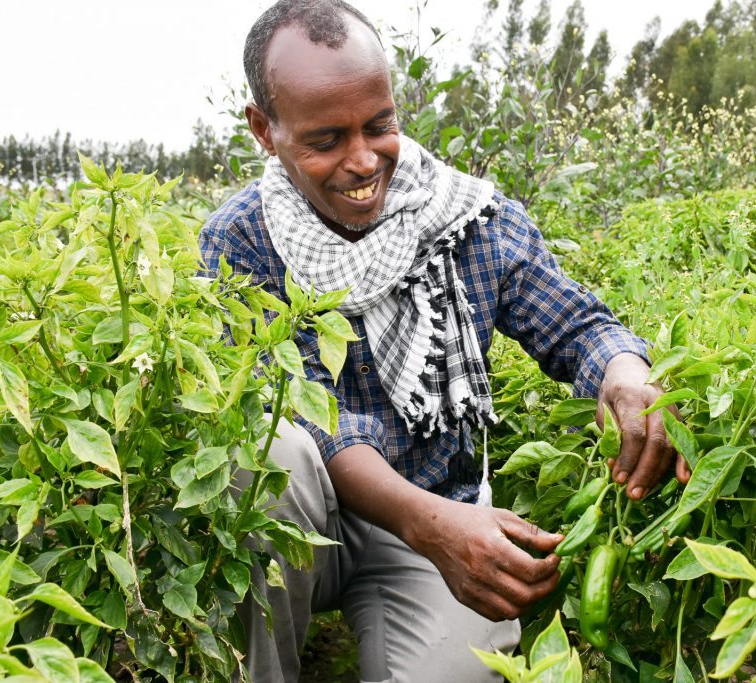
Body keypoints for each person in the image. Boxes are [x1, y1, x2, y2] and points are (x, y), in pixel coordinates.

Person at [199, 1, 690, 681]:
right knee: (267, 451)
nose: (363, 161)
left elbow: (579, 324)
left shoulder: (462, 217)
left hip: (439, 524)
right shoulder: (243, 239)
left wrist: (625, 373)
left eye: (380, 126)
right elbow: (311, 418)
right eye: (326, 140)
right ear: (264, 129)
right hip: (312, 523)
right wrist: (429, 522)